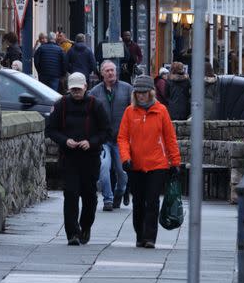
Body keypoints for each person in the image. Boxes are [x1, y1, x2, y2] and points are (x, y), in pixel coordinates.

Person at [45, 72, 110, 245]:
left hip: (90, 157)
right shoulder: (61, 105)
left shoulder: (96, 105)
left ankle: (85, 225)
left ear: (85, 88)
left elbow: (106, 131)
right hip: (69, 157)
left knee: (90, 196)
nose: (76, 92)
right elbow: (51, 129)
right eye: (73, 89)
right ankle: (72, 233)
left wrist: (91, 142)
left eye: (78, 89)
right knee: (71, 194)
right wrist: (65, 141)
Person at [117, 75, 181, 248]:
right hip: (135, 165)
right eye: (138, 93)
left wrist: (175, 162)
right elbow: (122, 138)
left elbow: (170, 138)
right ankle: (140, 234)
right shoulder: (130, 112)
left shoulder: (161, 111)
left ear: (151, 92)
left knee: (152, 201)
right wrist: (125, 157)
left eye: (144, 92)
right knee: (138, 202)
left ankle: (150, 237)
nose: (141, 96)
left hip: (157, 164)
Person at [89, 60, 133, 211]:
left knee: (122, 173)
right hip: (104, 139)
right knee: (104, 167)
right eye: (107, 70)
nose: (110, 73)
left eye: (112, 70)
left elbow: (134, 111)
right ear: (102, 73)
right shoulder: (95, 92)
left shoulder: (127, 89)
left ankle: (119, 193)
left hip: (121, 139)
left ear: (116, 72)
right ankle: (108, 199)